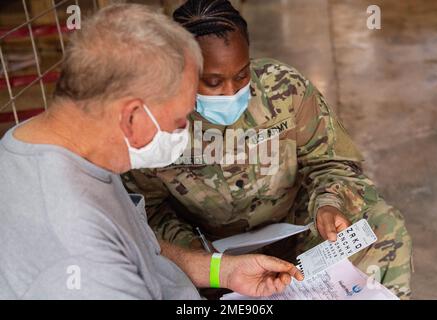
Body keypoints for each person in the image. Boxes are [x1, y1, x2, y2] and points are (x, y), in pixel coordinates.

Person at [0, 4, 302, 299]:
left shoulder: (46, 145)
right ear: (131, 116)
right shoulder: (83, 264)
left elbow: (139, 249)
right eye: (179, 120)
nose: (184, 131)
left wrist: (220, 271)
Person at [122, 0, 413, 299]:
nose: (231, 92)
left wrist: (329, 204)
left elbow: (331, 162)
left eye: (242, 75)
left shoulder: (285, 89)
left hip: (296, 235)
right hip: (208, 253)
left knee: (380, 225)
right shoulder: (157, 121)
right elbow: (145, 210)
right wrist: (204, 259)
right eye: (212, 82)